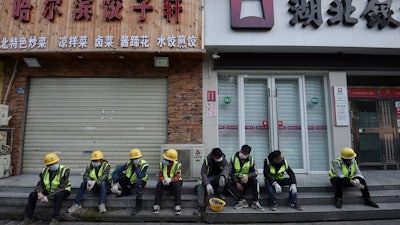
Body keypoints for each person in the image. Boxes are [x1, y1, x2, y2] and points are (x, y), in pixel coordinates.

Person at [20, 152, 71, 225]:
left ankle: (55, 219)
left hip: (63, 190)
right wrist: (39, 192)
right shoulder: (44, 171)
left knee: (58, 196)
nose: (54, 165)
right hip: (49, 190)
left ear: (57, 161)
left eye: (55, 163)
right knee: (32, 195)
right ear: (47, 165)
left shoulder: (65, 170)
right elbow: (40, 184)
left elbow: (62, 186)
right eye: (51, 164)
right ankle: (28, 218)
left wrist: (47, 197)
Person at [110, 148, 149, 215]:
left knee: (138, 182)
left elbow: (140, 176)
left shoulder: (144, 165)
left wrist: (137, 167)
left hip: (141, 182)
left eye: (137, 158)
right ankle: (125, 191)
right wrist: (115, 183)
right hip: (131, 181)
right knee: (120, 175)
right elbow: (116, 172)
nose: (136, 159)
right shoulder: (128, 164)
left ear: (140, 157)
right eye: (134, 158)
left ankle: (138, 206)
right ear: (131, 159)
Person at [226, 144, 264, 211]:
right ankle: (242, 201)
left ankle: (255, 202)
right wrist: (237, 183)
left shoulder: (252, 160)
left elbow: (255, 172)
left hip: (246, 181)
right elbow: (230, 172)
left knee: (254, 181)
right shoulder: (233, 158)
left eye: (245, 154)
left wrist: (247, 176)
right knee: (228, 183)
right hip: (237, 180)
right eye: (242, 152)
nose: (243, 155)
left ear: (248, 154)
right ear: (240, 150)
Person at [193, 147, 229, 215]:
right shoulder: (207, 160)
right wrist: (207, 184)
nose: (219, 159)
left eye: (220, 157)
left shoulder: (223, 159)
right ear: (213, 156)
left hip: (217, 178)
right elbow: (203, 173)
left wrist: (223, 175)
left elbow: (227, 168)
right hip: (209, 178)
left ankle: (219, 193)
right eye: (217, 157)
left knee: (225, 178)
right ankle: (200, 205)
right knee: (200, 184)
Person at [153, 148, 183, 215]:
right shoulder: (162, 164)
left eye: (166, 159)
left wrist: (170, 180)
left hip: (175, 182)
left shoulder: (178, 165)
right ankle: (156, 205)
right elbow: (160, 175)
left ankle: (177, 206)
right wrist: (163, 180)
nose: (164, 160)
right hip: (165, 182)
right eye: (164, 159)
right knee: (159, 184)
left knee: (177, 185)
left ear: (171, 161)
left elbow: (177, 177)